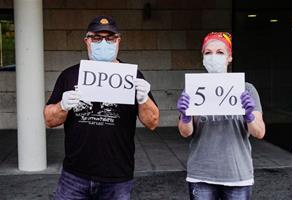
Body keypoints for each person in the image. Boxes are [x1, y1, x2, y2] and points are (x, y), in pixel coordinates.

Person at [44, 15, 159, 200]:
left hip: (117, 177)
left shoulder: (132, 76)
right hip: (75, 175)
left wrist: (143, 98)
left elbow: (152, 122)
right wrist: (63, 105)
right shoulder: (69, 75)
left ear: (118, 41)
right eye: (97, 38)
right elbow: (49, 120)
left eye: (110, 38)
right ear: (87, 41)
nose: (103, 43)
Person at [177, 32, 265, 200]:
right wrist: (185, 116)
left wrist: (249, 116)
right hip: (201, 174)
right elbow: (185, 132)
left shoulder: (247, 89)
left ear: (229, 57)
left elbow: (259, 133)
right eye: (208, 53)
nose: (213, 57)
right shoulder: (194, 88)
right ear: (202, 57)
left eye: (220, 52)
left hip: (237, 174)